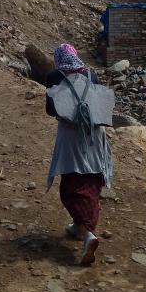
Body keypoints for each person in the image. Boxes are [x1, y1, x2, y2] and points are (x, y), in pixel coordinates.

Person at [45, 43, 114, 266]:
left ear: (58, 59)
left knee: (71, 186)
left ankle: (88, 235)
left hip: (72, 139)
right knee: (92, 179)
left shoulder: (55, 76)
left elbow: (50, 109)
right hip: (96, 137)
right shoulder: (92, 75)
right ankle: (79, 226)